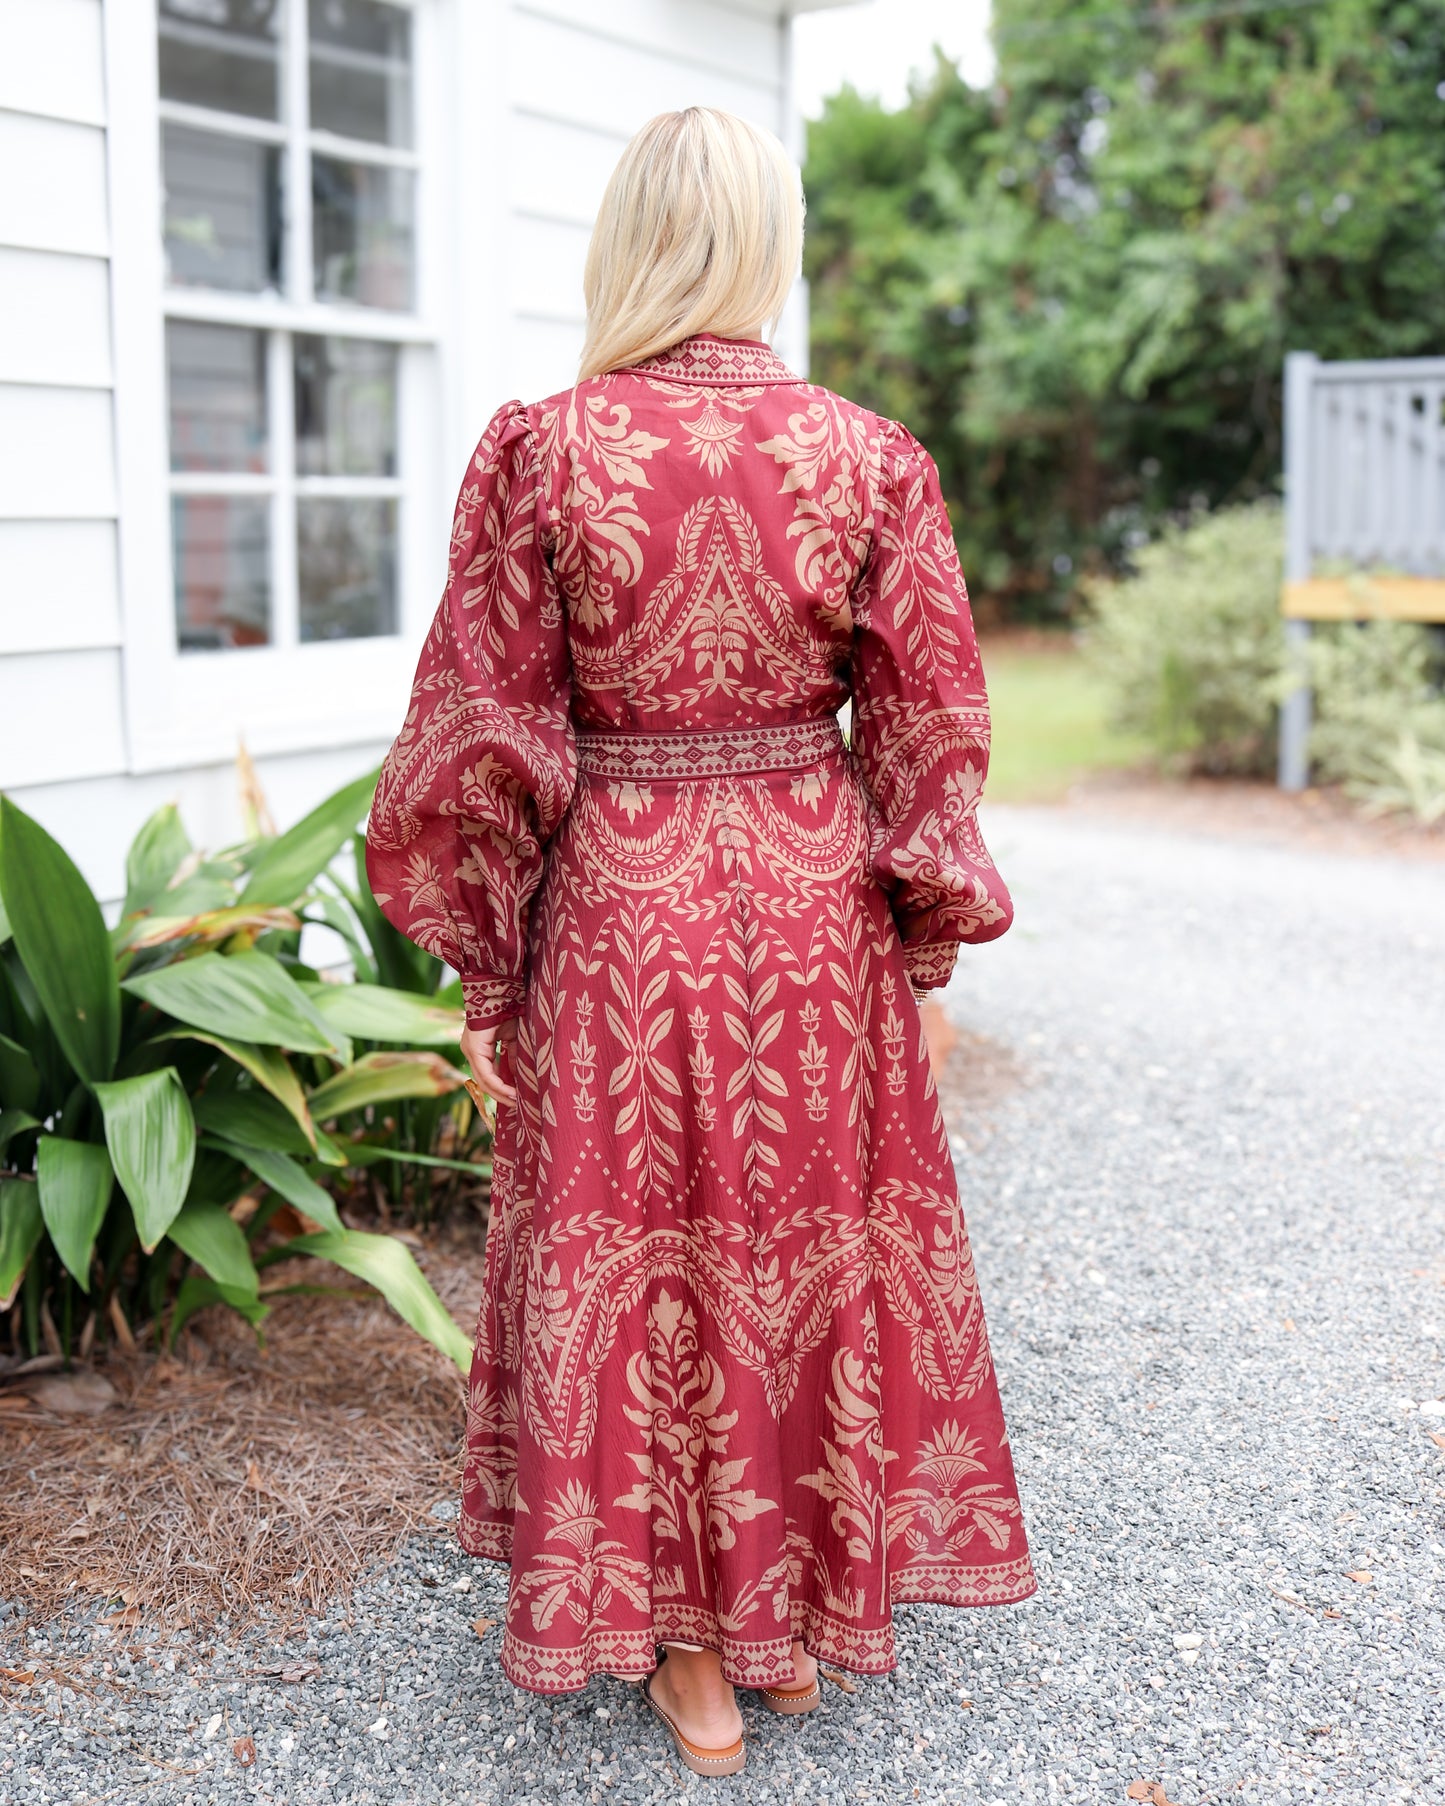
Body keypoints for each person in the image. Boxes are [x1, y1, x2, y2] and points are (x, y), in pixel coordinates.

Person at [365, 104, 1036, 1778]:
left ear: (628, 242)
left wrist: (486, 963)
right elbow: (930, 721)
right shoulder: (871, 455)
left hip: (623, 908)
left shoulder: (544, 447)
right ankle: (780, 1618)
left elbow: (482, 732)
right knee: (800, 1245)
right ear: (766, 242)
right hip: (811, 909)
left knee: (640, 1258)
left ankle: (694, 1652)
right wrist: (923, 944)